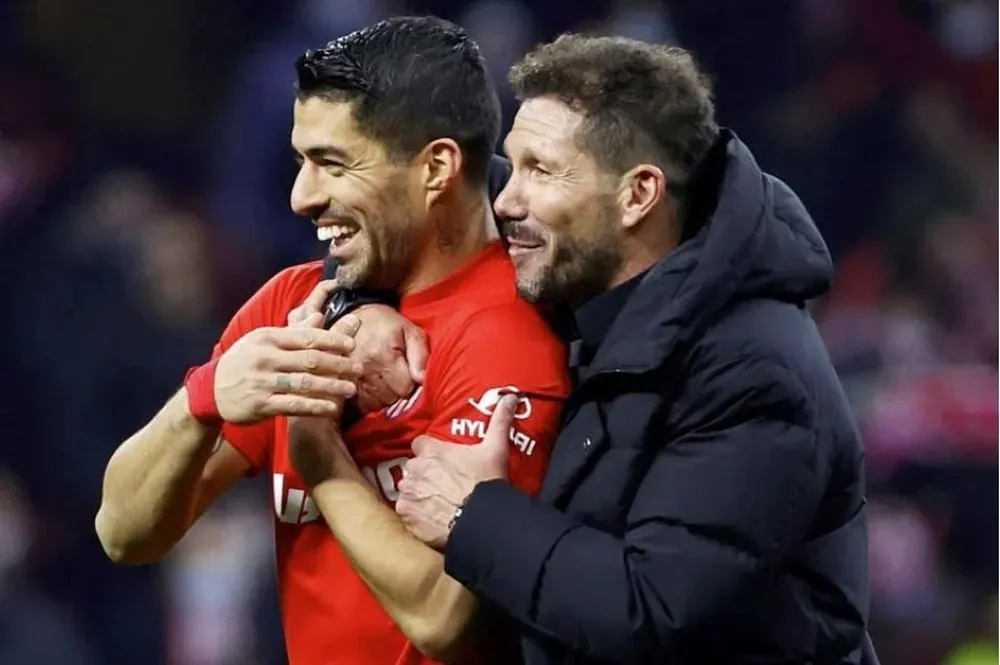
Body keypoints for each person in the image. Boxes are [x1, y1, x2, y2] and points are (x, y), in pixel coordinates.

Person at [351, 35, 873, 665]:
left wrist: (473, 515)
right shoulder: (572, 270)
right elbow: (405, 210)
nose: (507, 200)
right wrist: (363, 306)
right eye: (512, 165)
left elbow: (653, 609)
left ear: (638, 195)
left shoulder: (753, 370)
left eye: (541, 171)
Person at [95, 16, 570, 665]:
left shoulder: (512, 330)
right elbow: (123, 533)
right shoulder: (298, 304)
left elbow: (445, 616)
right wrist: (203, 398)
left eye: (332, 163)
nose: (300, 197)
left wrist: (319, 455)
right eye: (300, 161)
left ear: (436, 167)